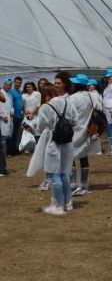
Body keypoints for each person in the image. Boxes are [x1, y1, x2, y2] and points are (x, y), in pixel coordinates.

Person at [27, 83, 78, 215]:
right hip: (67, 141)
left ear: (46, 95)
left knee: (54, 173)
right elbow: (75, 121)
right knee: (63, 174)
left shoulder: (46, 107)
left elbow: (40, 127)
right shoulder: (68, 103)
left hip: (53, 142)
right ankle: (68, 203)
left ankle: (57, 205)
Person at [69, 74, 102, 196]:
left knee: (70, 158)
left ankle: (73, 185)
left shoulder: (72, 98)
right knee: (84, 157)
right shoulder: (92, 96)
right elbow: (100, 109)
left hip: (74, 131)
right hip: (88, 131)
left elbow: (69, 114)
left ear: (77, 85)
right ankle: (84, 185)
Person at [8, 76, 23, 155]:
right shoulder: (10, 91)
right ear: (14, 82)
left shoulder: (20, 92)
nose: (18, 84)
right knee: (11, 133)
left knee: (16, 134)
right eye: (17, 82)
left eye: (19, 83)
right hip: (13, 116)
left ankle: (14, 149)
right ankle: (10, 151)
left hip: (19, 116)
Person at [0, 78, 14, 157]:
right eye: (7, 85)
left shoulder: (10, 94)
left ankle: (6, 152)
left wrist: (12, 111)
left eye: (10, 85)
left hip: (9, 117)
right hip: (3, 118)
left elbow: (11, 105)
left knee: (8, 135)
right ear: (4, 84)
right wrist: (2, 115)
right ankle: (3, 153)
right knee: (3, 135)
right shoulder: (0, 93)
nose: (8, 86)